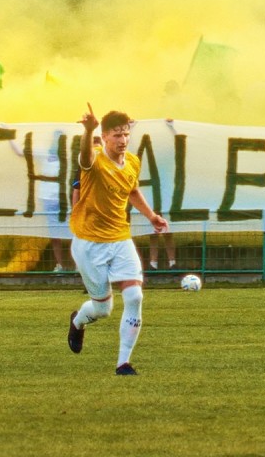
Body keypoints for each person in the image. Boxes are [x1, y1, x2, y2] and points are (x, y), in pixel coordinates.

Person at [66, 105, 169, 376]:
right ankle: (78, 321)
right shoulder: (95, 160)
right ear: (104, 137)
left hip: (120, 237)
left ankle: (123, 363)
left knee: (134, 295)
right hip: (89, 243)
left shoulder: (132, 162)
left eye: (125, 134)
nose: (122, 140)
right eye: (116, 135)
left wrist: (152, 216)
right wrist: (88, 131)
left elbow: (132, 190)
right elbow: (84, 157)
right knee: (103, 310)